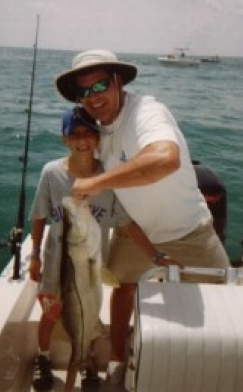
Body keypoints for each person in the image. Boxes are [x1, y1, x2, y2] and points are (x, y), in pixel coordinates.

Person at [55, 49, 231, 382]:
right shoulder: (98, 127)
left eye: (100, 85)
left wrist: (96, 182)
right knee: (123, 289)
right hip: (135, 232)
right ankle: (119, 360)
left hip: (190, 230)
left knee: (226, 301)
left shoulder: (147, 112)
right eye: (84, 92)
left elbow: (165, 158)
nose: (94, 97)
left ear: (118, 82)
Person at [29, 106, 180, 390]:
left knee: (92, 316)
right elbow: (38, 215)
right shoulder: (51, 173)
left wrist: (155, 255)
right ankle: (43, 357)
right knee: (50, 314)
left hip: (91, 266)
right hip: (53, 265)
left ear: (98, 138)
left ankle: (84, 361)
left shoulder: (110, 179)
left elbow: (125, 224)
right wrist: (35, 255)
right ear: (64, 139)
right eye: (75, 134)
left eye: (89, 133)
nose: (82, 140)